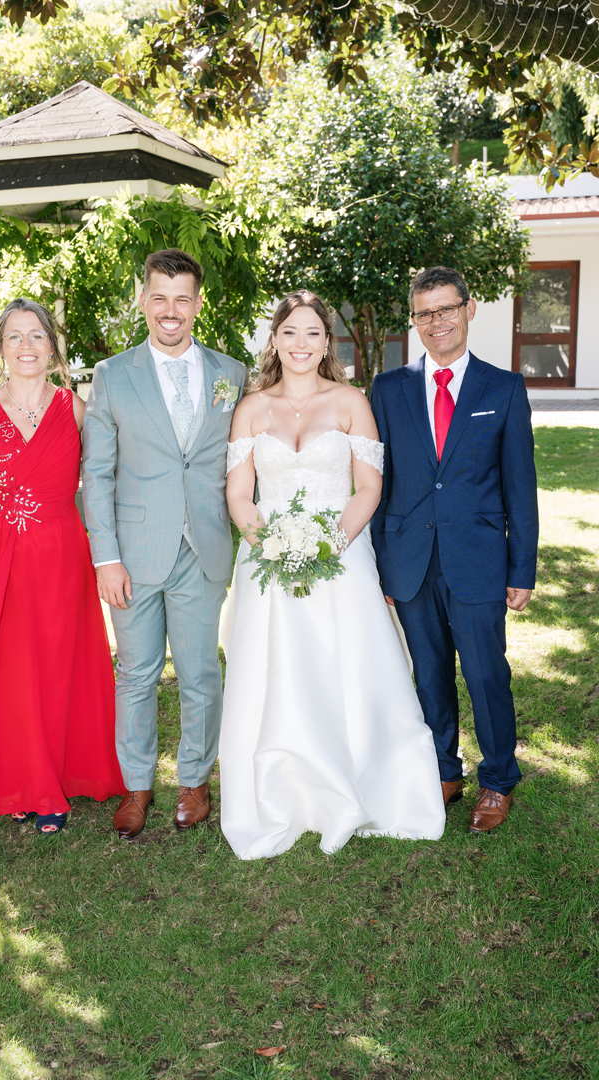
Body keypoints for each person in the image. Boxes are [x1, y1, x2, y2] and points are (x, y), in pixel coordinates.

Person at [219, 290, 445, 860]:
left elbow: (368, 487)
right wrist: (269, 545)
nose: (301, 344)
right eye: (290, 332)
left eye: (312, 333)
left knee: (347, 664)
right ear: (275, 340)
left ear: (327, 343)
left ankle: (362, 776)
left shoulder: (350, 402)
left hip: (341, 553)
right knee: (275, 669)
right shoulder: (251, 409)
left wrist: (329, 545)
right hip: (269, 560)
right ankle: (283, 788)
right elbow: (240, 492)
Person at [0, 299, 125, 833]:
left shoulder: (77, 410)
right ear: (0, 348)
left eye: (37, 335)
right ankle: (20, 777)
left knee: (54, 662)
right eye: (15, 336)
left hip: (62, 552)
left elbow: (106, 482)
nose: (26, 346)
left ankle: (51, 780)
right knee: (7, 665)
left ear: (52, 346)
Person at [82, 248, 246, 838]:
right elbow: (97, 473)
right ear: (142, 300)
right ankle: (137, 785)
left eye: (182, 298)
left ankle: (195, 781)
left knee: (201, 672)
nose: (170, 310)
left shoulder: (231, 374)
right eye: (159, 297)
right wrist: (106, 557)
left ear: (198, 303)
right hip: (133, 552)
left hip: (203, 546)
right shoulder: (112, 374)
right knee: (136, 673)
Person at [371, 266, 539, 834]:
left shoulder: (504, 388)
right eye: (425, 313)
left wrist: (522, 568)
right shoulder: (389, 390)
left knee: (486, 674)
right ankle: (444, 770)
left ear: (469, 309)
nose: (436, 321)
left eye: (446, 309)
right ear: (414, 321)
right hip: (410, 560)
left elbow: (520, 487)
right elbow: (379, 482)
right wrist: (381, 564)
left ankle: (498, 778)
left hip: (479, 558)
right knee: (430, 673)